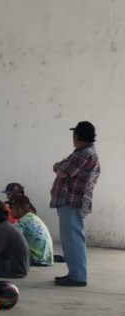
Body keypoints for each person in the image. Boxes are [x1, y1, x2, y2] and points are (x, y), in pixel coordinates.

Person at [50, 121, 100, 287]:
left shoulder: (83, 154)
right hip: (72, 202)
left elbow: (62, 172)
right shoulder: (84, 153)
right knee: (70, 239)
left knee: (73, 240)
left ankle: (78, 276)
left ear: (77, 136)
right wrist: (60, 166)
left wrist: (58, 165)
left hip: (72, 202)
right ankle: (74, 273)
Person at [7, 194, 53, 267]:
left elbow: (10, 239)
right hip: (46, 258)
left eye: (12, 209)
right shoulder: (32, 217)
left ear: (19, 209)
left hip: (36, 259)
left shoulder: (22, 222)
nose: (10, 212)